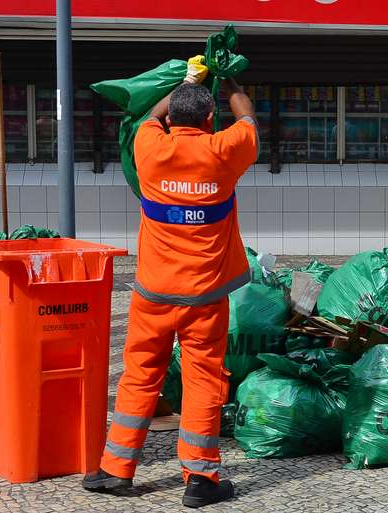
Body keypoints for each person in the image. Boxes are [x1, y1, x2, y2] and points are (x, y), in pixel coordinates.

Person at [82, 56, 258, 508]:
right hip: (204, 296)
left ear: (172, 118)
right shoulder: (224, 151)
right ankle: (200, 479)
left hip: (152, 294)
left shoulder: (150, 147)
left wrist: (187, 80)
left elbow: (149, 116)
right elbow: (248, 117)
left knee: (140, 376)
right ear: (209, 118)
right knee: (202, 380)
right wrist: (227, 76)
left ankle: (114, 470)